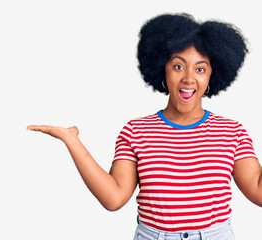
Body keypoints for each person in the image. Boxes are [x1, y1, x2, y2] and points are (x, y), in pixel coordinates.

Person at [27, 13, 261, 240]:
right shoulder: (136, 131)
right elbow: (114, 198)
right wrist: (71, 140)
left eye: (200, 69)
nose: (189, 78)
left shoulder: (232, 132)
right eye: (178, 66)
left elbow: (258, 191)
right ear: (163, 70)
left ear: (212, 76)